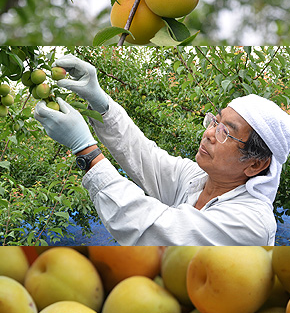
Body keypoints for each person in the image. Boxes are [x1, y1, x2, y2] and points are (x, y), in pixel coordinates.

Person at [34, 54, 290, 246]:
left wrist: (86, 150)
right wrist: (100, 102)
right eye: (216, 120)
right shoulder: (198, 179)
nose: (210, 133)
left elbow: (151, 229)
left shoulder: (250, 223)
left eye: (226, 132)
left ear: (256, 164)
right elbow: (145, 155)